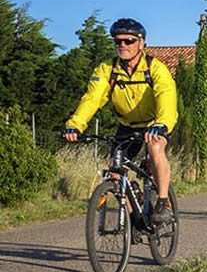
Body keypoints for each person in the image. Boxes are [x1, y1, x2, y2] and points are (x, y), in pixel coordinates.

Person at [63, 18, 178, 224]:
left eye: (129, 41)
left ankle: (163, 202)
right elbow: (92, 98)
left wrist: (162, 124)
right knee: (114, 171)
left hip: (155, 123)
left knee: (155, 148)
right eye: (118, 41)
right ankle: (134, 217)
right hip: (127, 125)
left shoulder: (156, 69)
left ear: (141, 43)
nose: (122, 45)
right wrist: (75, 125)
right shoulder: (107, 70)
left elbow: (166, 97)